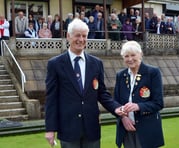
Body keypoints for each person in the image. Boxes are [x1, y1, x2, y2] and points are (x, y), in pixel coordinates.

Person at [45, 18, 125, 148]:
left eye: (84, 36)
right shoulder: (55, 64)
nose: (81, 40)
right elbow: (51, 98)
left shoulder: (96, 63)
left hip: (91, 128)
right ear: (68, 36)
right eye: (77, 35)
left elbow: (101, 93)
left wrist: (116, 108)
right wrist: (50, 129)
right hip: (68, 128)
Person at [114, 41, 165, 148]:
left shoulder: (153, 73)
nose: (130, 59)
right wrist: (123, 117)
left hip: (147, 129)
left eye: (133, 55)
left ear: (140, 54)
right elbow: (116, 102)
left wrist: (138, 106)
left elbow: (158, 103)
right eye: (126, 56)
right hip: (127, 129)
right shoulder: (120, 75)